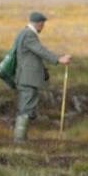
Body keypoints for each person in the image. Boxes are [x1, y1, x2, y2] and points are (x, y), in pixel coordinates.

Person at [12, 11, 71, 141]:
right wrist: (58, 59)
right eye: (43, 24)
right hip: (28, 79)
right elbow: (40, 51)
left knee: (26, 107)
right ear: (39, 24)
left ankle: (20, 138)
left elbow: (34, 55)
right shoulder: (28, 35)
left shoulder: (24, 33)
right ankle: (19, 140)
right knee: (26, 108)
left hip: (27, 78)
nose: (43, 27)